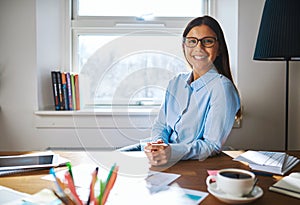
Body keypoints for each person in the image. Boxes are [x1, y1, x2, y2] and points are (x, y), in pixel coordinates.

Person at [119, 15, 241, 167]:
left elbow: (211, 145)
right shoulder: (176, 82)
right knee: (111, 163)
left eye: (207, 41)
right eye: (192, 41)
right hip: (156, 152)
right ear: (184, 46)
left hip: (185, 160)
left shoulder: (222, 89)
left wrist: (171, 151)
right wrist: (160, 145)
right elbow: (160, 125)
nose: (199, 48)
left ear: (219, 47)